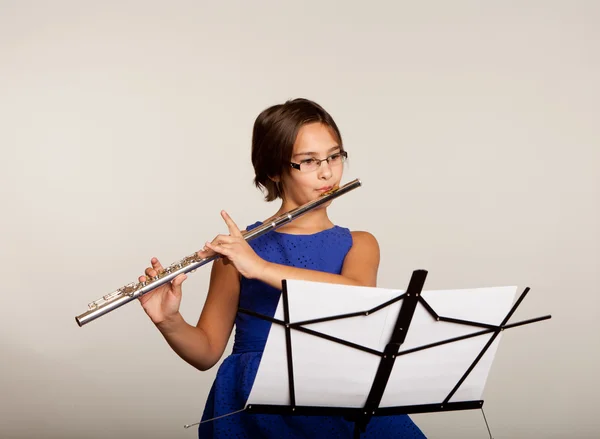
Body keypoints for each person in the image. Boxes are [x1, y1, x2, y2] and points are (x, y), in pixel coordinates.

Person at [138, 98, 426, 438]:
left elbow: (356, 293)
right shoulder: (239, 249)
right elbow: (206, 353)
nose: (327, 172)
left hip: (339, 396)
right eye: (308, 161)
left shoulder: (360, 244)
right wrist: (168, 320)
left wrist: (259, 268)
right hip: (256, 403)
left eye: (334, 156)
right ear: (274, 170)